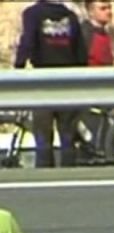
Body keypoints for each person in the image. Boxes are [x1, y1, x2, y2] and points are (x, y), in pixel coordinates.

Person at [13, 0, 89, 168]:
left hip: (43, 81)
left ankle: (45, 176)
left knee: (43, 135)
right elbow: (81, 52)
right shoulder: (70, 15)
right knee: (67, 136)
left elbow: (28, 42)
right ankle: (69, 177)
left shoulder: (32, 14)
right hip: (68, 81)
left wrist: (18, 68)